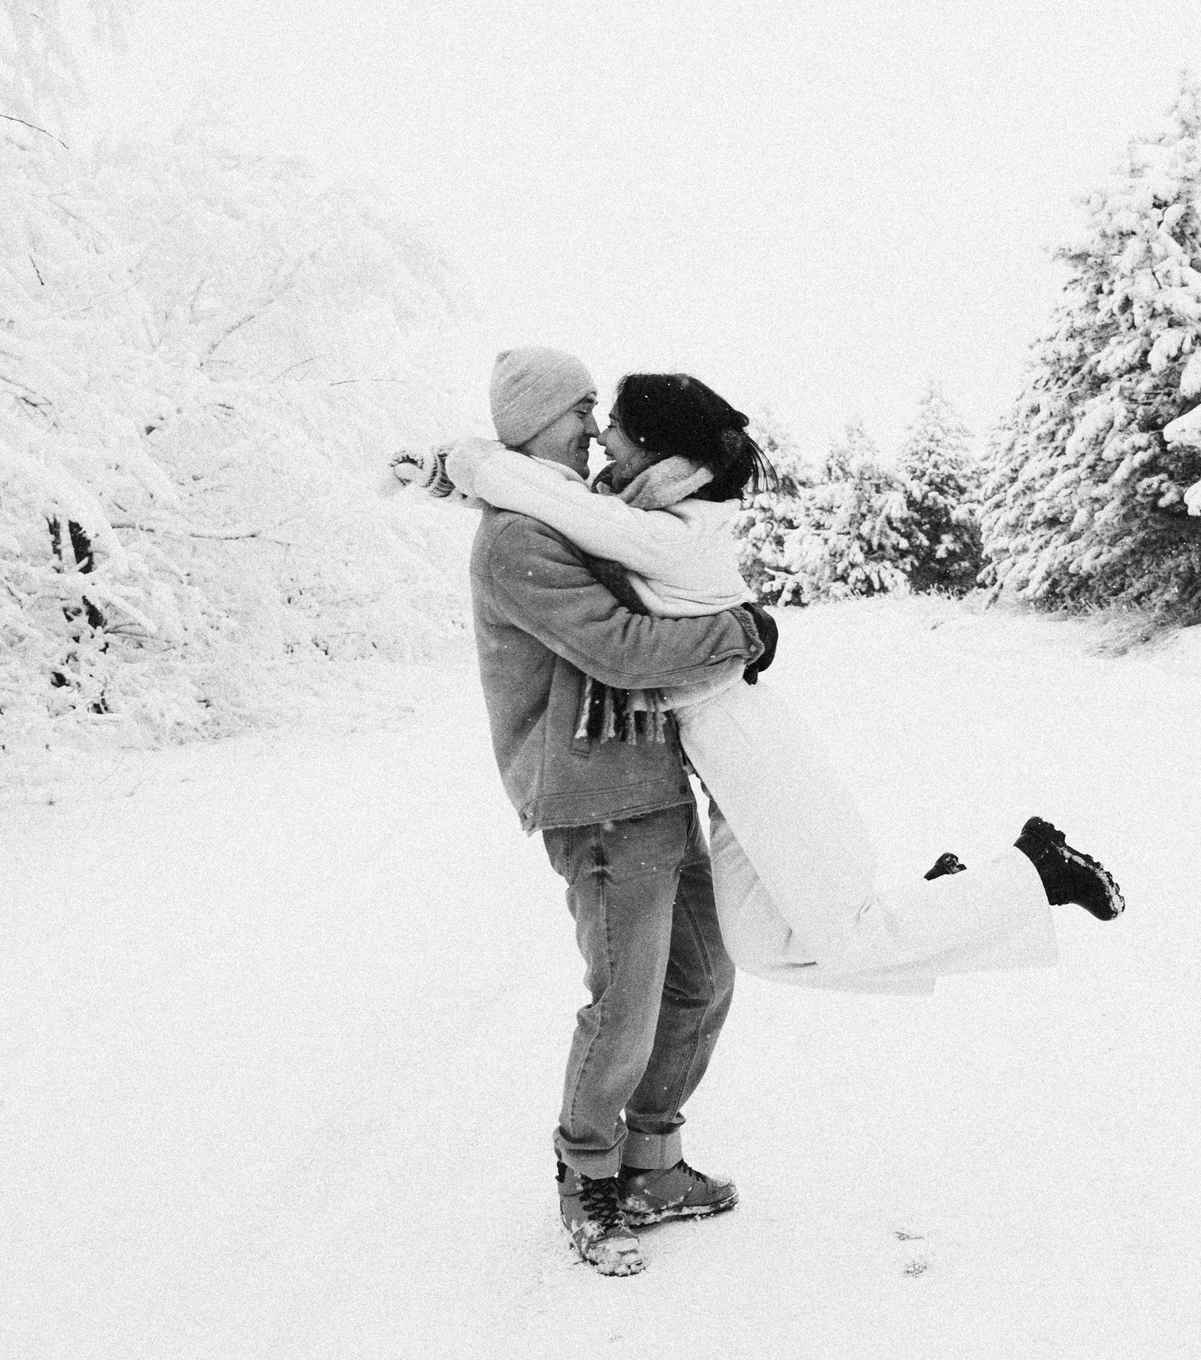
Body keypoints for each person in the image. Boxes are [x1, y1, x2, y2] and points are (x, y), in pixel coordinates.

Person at [402, 370, 1124, 1007]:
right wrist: (448, 476)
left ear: (655, 447)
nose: (599, 438)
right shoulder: (641, 513)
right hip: (711, 753)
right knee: (760, 945)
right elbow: (552, 503)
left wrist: (468, 459)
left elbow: (552, 503)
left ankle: (1035, 868)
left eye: (614, 426)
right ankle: (951, 899)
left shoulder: (675, 531)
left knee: (843, 937)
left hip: (746, 737)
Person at [448, 347, 775, 1278]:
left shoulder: (573, 520)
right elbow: (625, 650)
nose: (596, 428)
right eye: (581, 408)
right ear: (536, 419)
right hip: (593, 796)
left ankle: (654, 1166)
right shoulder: (519, 540)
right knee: (625, 1001)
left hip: (655, 783)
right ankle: (588, 1178)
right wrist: (744, 632)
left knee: (703, 980)